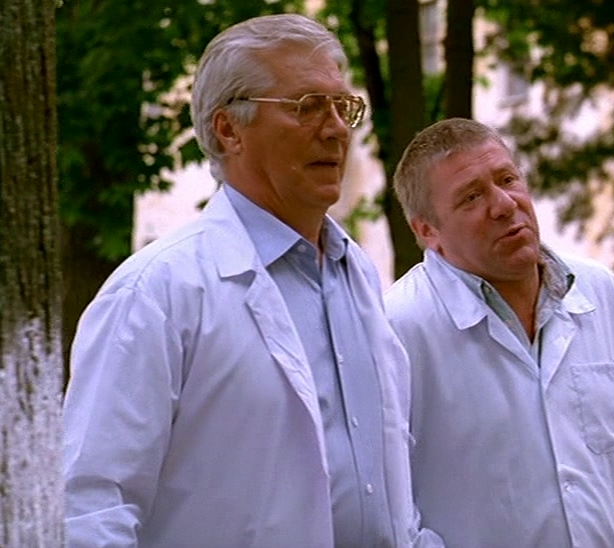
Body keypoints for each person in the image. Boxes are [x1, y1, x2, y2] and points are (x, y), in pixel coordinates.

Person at [63, 14, 441, 547]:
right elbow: (89, 506)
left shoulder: (354, 273)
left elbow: (387, 491)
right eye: (307, 106)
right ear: (229, 129)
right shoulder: (155, 293)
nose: (336, 128)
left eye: (343, 106)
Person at [384, 118, 614, 547]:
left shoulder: (602, 294)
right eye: (472, 197)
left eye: (507, 179)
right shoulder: (397, 329)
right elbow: (390, 511)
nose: (504, 205)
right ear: (427, 230)